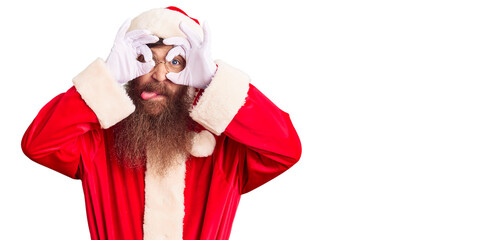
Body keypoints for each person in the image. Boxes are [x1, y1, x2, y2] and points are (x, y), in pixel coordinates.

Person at [21, 6, 301, 240]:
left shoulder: (226, 145)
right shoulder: (98, 138)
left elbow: (286, 148)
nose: (158, 74)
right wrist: (104, 79)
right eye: (144, 59)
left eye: (175, 62)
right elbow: (37, 144)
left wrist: (216, 82)